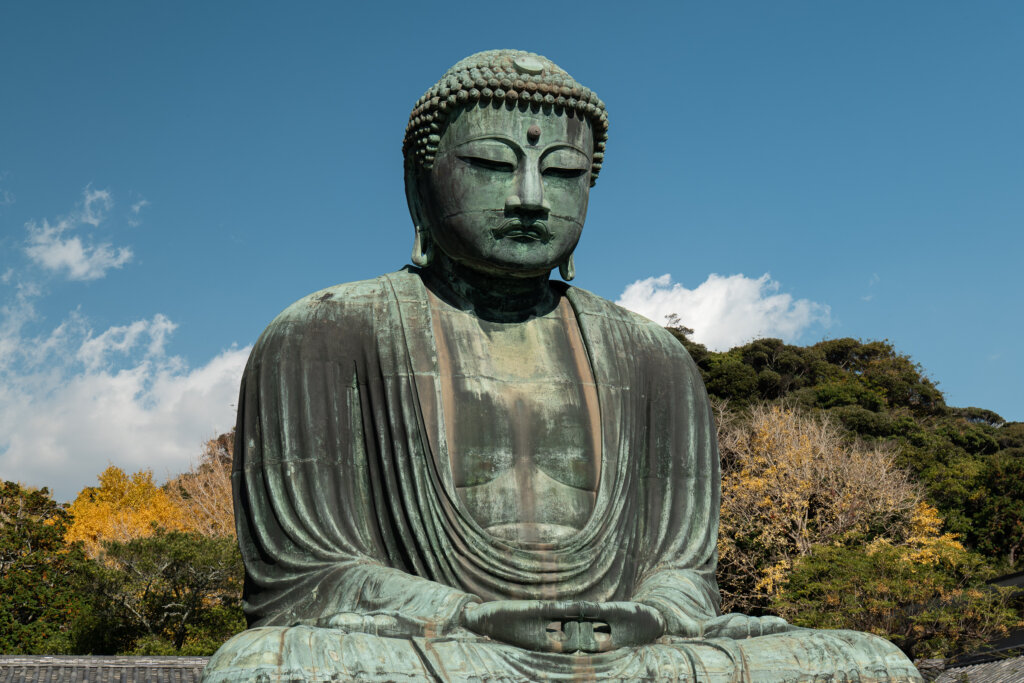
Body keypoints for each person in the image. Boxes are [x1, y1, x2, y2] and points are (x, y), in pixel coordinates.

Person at [203, 50, 922, 682]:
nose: (528, 197)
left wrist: (649, 616)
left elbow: (683, 571)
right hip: (443, 646)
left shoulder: (653, 358)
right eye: (490, 164)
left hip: (633, 651)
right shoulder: (324, 333)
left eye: (563, 172)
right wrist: (471, 615)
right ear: (419, 186)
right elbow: (305, 576)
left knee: (872, 663)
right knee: (265, 669)